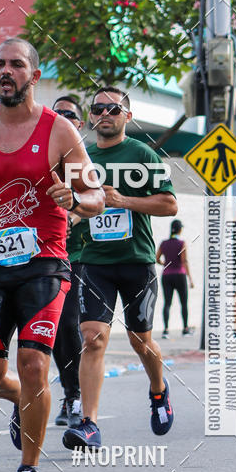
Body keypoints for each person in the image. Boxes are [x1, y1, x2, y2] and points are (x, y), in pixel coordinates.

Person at [0, 37, 104, 472]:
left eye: (16, 65)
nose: (5, 71)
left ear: (34, 76)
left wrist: (74, 198)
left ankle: (28, 469)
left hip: (45, 263)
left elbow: (96, 199)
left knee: (34, 362)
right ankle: (25, 401)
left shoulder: (60, 131)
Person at [62, 86, 178, 451]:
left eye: (114, 109)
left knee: (139, 340)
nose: (105, 114)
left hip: (136, 262)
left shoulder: (141, 154)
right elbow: (69, 210)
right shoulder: (80, 159)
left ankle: (158, 391)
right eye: (98, 108)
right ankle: (89, 424)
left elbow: (170, 204)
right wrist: (76, 215)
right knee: (93, 338)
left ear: (127, 116)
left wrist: (122, 199)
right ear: (91, 116)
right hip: (94, 262)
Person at [51, 95, 85, 429]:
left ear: (79, 123)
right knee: (47, 333)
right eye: (55, 112)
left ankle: (74, 395)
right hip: (38, 257)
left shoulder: (82, 161)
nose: (61, 118)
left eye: (68, 114)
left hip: (77, 258)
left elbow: (96, 198)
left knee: (69, 328)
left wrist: (72, 216)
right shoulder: (41, 155)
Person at [156, 219, 194, 338]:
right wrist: (190, 279)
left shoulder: (163, 243)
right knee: (184, 303)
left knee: (167, 303)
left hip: (166, 275)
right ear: (180, 229)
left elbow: (157, 258)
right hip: (180, 274)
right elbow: (184, 261)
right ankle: (185, 329)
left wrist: (165, 264)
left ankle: (166, 330)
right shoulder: (182, 243)